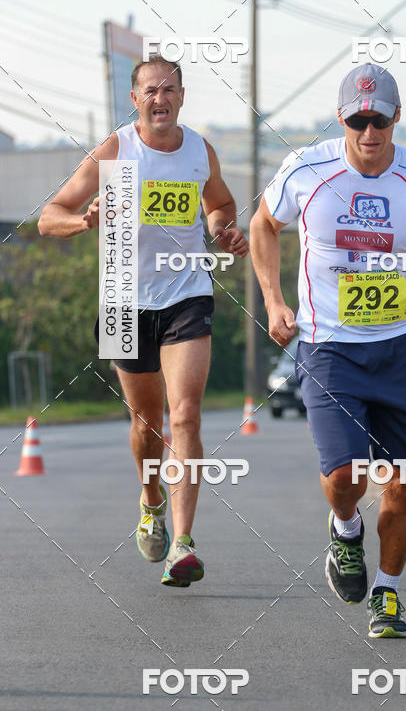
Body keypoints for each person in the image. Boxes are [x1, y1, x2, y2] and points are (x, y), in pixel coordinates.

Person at [250, 63, 406, 637]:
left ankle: (387, 594)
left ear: (397, 117)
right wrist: (273, 302)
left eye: (379, 120)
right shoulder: (307, 170)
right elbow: (263, 226)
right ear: (342, 118)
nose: (369, 132)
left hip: (400, 346)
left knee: (404, 481)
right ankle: (345, 530)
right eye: (357, 120)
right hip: (329, 347)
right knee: (346, 476)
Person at [38, 55, 248, 587]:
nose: (160, 98)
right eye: (149, 90)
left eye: (170, 89)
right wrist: (83, 221)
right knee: (147, 423)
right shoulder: (116, 149)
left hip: (187, 295)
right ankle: (150, 498)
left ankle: (182, 542)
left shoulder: (200, 150)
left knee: (186, 417)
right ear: (135, 100)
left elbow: (220, 204)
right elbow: (49, 216)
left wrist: (224, 229)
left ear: (182, 97)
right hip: (122, 301)